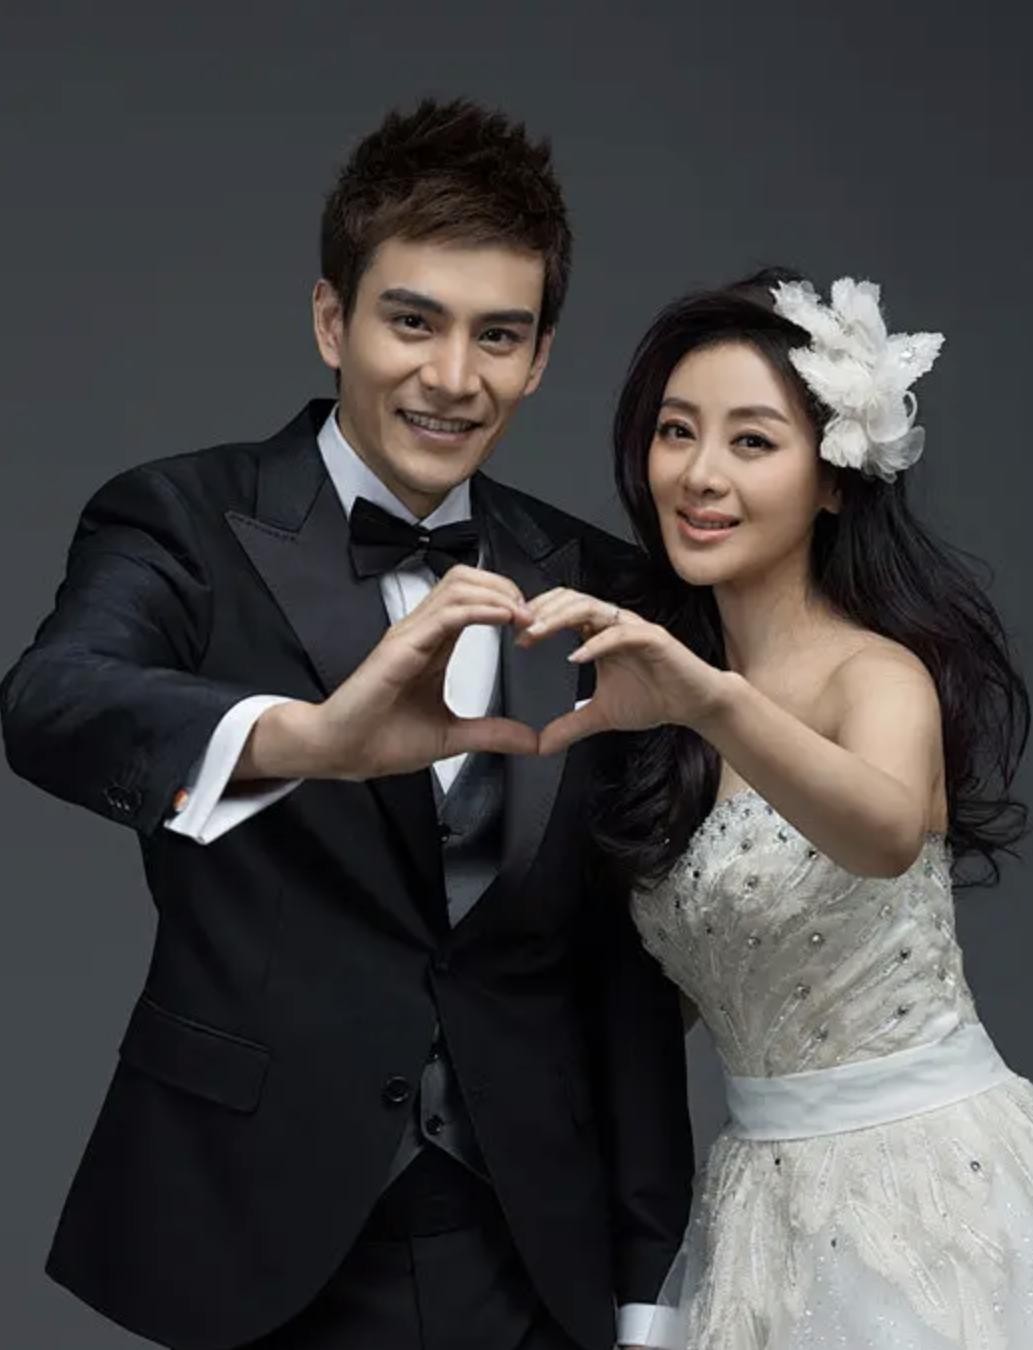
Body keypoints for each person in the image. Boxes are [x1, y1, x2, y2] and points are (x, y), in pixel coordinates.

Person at [0, 99, 693, 1350]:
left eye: (498, 335)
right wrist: (304, 741)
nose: (452, 377)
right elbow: (52, 702)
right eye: (410, 321)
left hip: (531, 1252)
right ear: (332, 320)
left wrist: (647, 1288)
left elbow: (620, 967)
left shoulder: (599, 583)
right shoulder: (178, 518)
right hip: (247, 1234)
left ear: (539, 357)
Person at [516, 269, 1033, 1347]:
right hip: (757, 1208)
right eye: (676, 432)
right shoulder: (654, 710)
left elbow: (882, 833)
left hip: (932, 1190)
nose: (700, 474)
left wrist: (713, 702)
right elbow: (644, 999)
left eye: (752, 441)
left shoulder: (872, 675)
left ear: (833, 480)